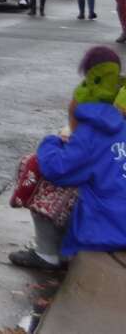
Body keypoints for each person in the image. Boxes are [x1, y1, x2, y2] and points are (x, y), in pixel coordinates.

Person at [9, 46, 126, 270]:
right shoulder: (121, 121)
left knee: (33, 165)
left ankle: (47, 253)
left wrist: (50, 142)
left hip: (107, 228)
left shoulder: (91, 131)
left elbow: (57, 168)